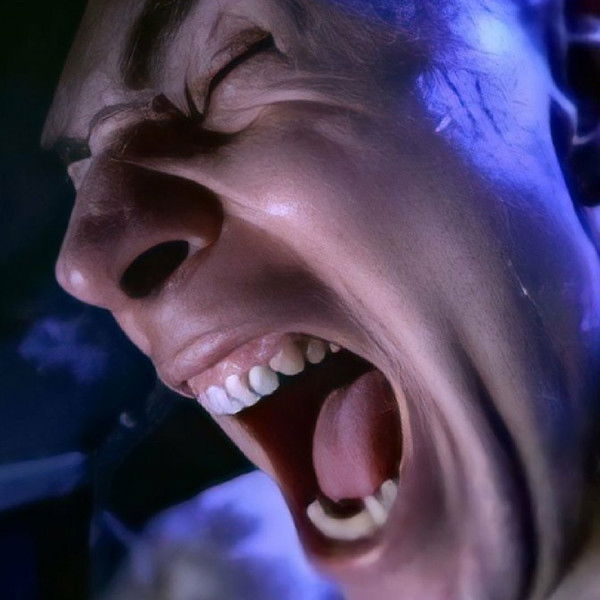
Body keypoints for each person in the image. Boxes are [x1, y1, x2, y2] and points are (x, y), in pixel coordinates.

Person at [42, 0, 600, 597]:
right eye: (81, 177)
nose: (80, 267)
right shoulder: (203, 567)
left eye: (233, 66)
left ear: (582, 84)